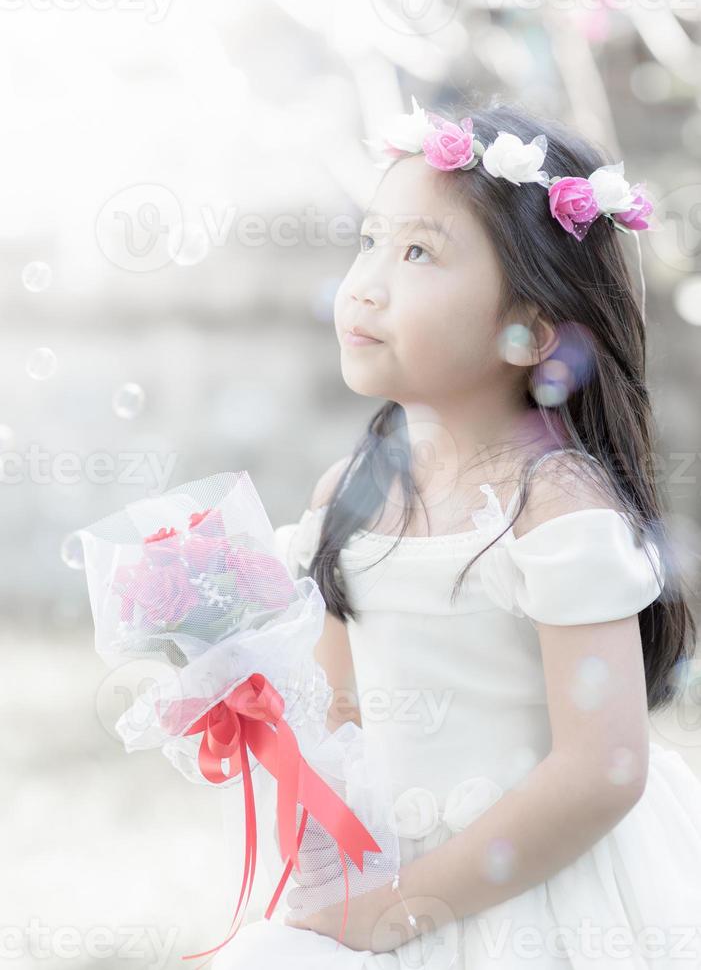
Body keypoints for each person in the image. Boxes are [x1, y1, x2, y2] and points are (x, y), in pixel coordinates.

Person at [211, 97, 701, 969]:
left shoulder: (555, 511)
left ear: (531, 331)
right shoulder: (352, 495)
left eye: (416, 253)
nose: (365, 282)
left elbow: (602, 770)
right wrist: (245, 706)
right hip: (391, 874)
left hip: (538, 889)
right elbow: (343, 720)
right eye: (368, 241)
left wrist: (402, 909)